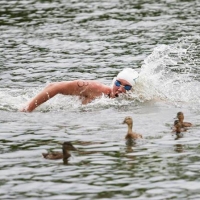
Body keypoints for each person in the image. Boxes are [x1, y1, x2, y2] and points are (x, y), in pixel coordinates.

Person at [20, 68, 139, 112]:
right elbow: (53, 87)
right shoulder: (95, 89)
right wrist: (29, 108)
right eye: (118, 83)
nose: (120, 88)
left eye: (126, 86)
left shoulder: (133, 99)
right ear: (114, 81)